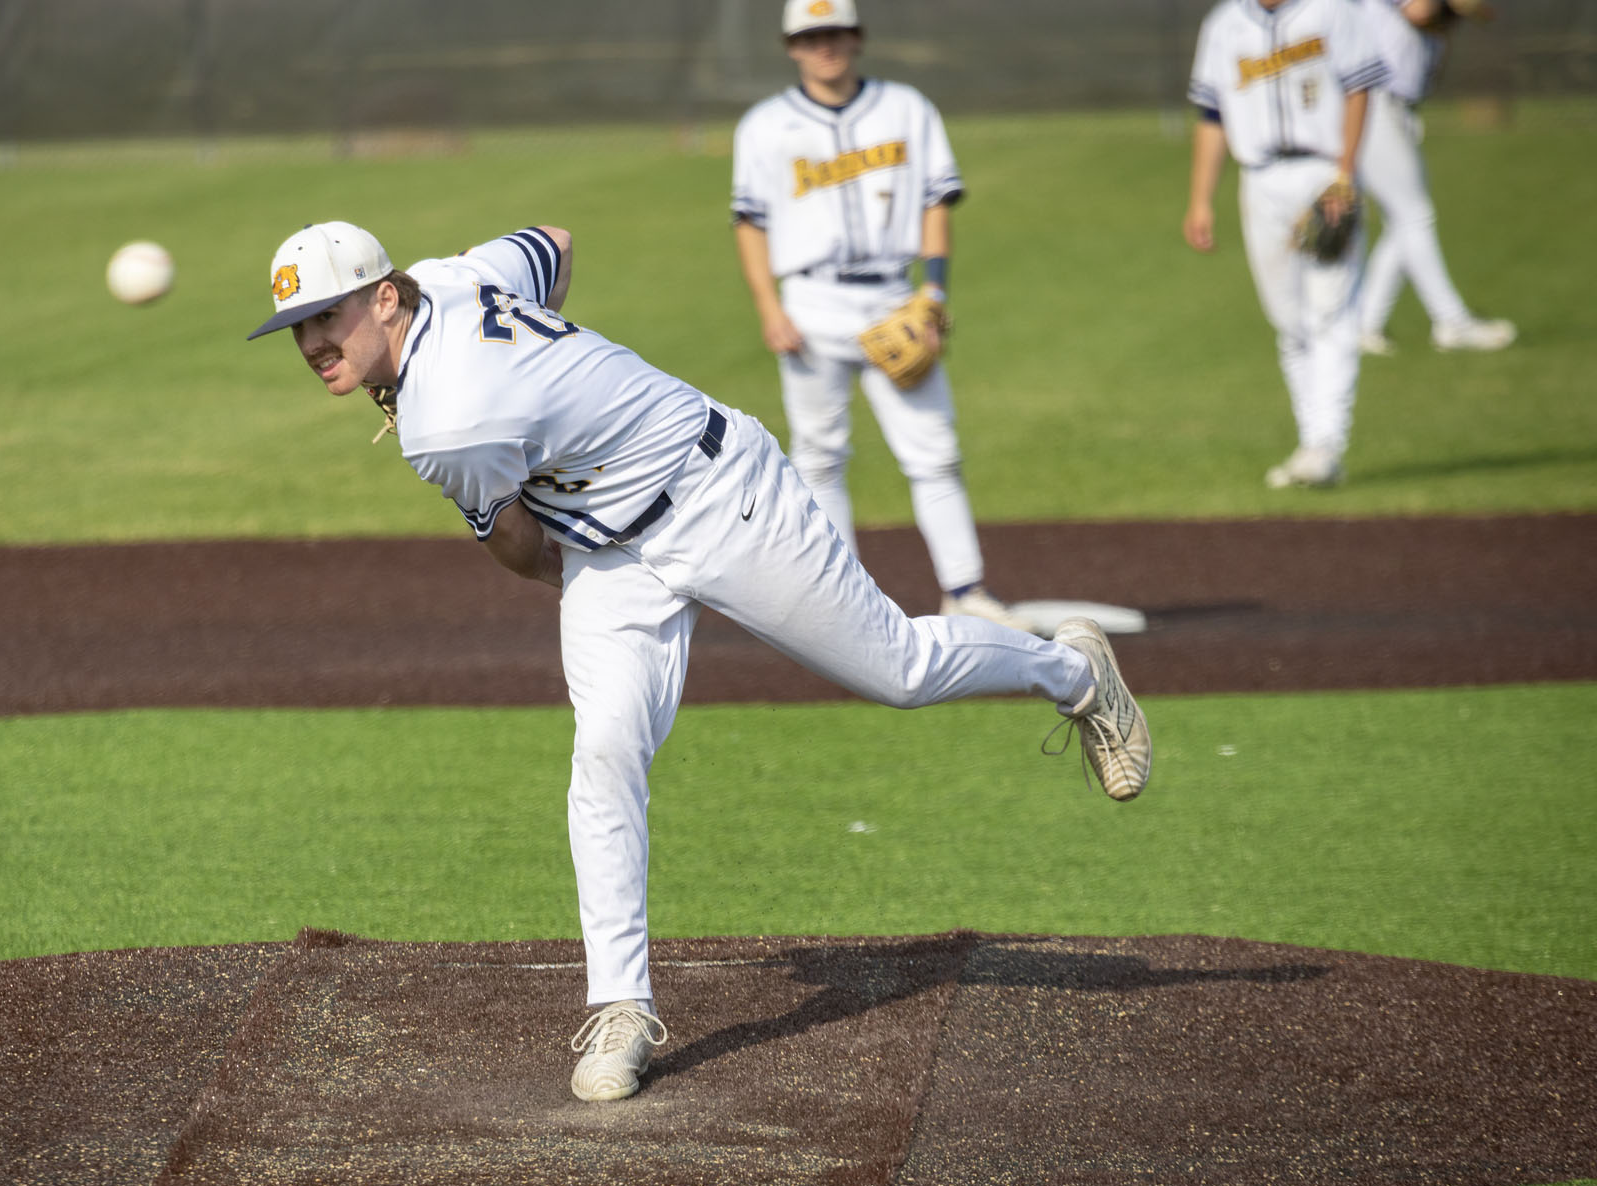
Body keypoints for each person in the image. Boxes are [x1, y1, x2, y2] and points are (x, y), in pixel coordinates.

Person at [247, 218, 1151, 1103]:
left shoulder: (445, 426)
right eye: (299, 328)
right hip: (613, 549)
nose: (314, 342)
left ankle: (1075, 673)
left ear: (385, 297)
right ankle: (620, 1009)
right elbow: (556, 241)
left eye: (329, 317)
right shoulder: (455, 275)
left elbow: (520, 549)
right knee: (604, 751)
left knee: (898, 668)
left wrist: (542, 406)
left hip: (719, 494)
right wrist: (557, 371)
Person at [731, 0, 1028, 631]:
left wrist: (935, 294)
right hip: (810, 302)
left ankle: (965, 589)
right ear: (791, 46)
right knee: (818, 455)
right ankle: (841, 604)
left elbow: (935, 201)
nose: (824, 46)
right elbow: (750, 223)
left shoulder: (906, 108)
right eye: (811, 36)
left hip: (896, 297)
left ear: (857, 36)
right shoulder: (764, 126)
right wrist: (769, 307)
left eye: (834, 32)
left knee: (934, 452)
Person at [1184, 0, 1387, 490]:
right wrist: (1200, 200)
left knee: (1331, 312)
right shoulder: (1224, 24)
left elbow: (1359, 87)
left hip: (1322, 172)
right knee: (1288, 320)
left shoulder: (1332, 10)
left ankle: (1326, 444)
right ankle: (1311, 441)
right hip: (1259, 180)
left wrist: (1344, 172)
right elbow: (1212, 114)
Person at [1357, 0, 1516, 355]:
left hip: (1398, 108)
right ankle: (1451, 321)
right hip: (1374, 102)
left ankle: (1365, 324)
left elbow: (1480, 12)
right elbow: (1420, 12)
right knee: (1414, 215)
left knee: (1405, 221)